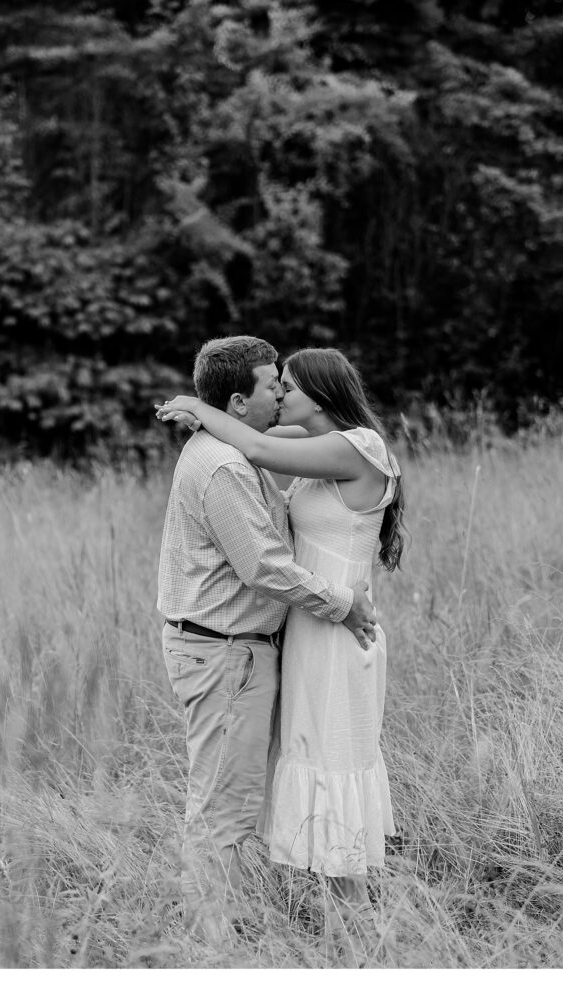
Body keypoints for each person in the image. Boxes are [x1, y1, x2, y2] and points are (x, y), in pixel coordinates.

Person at [157, 346, 406, 960]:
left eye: (286, 386)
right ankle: (303, 931)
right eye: (273, 385)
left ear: (316, 397)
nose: (280, 396)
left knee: (333, 761)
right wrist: (213, 413)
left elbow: (259, 442)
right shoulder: (284, 441)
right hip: (304, 626)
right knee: (285, 770)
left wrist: (197, 406)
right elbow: (251, 432)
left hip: (337, 627)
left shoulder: (356, 447)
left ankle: (358, 933)